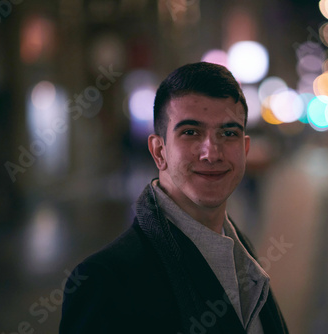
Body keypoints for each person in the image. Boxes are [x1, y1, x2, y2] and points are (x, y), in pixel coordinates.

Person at [59, 62, 289, 334]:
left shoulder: (243, 253)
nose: (212, 153)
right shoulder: (104, 281)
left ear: (245, 148)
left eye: (228, 133)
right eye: (191, 132)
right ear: (159, 151)